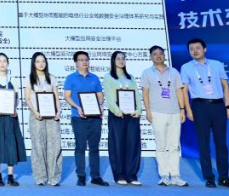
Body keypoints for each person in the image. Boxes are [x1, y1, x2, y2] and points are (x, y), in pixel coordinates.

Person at [180, 38, 229, 189]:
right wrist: (188, 110)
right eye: (191, 49)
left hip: (218, 106)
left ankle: (224, 177)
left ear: (204, 49)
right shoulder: (186, 67)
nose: (195, 51)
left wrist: (227, 106)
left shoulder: (216, 64)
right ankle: (209, 177)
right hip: (199, 106)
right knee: (203, 143)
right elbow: (184, 91)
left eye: (197, 48)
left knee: (221, 143)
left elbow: (225, 86)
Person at [141, 45, 188, 187]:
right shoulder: (147, 73)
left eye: (160, 53)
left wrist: (182, 110)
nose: (158, 56)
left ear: (164, 55)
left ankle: (175, 175)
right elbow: (145, 93)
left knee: (174, 146)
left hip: (174, 112)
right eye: (155, 54)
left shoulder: (174, 72)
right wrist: (148, 111)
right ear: (151, 57)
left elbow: (179, 91)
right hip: (157, 112)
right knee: (161, 146)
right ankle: (164, 176)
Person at [64, 51, 109, 187]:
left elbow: (100, 95)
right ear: (76, 63)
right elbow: (67, 96)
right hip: (78, 117)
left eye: (86, 60)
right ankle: (81, 176)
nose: (84, 62)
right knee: (80, 147)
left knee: (94, 147)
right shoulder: (71, 78)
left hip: (95, 117)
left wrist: (100, 105)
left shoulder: (94, 78)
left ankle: (96, 176)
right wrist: (78, 107)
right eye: (81, 60)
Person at [0, 52, 26, 186]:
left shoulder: (12, 78)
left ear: (8, 63)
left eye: (4, 61)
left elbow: (17, 97)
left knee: (10, 143)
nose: (2, 63)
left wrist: (14, 108)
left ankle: (11, 176)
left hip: (10, 116)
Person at [102, 51, 144, 186]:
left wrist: (138, 110)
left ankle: (132, 175)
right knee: (117, 144)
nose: (121, 61)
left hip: (132, 115)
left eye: (123, 58)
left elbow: (136, 95)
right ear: (113, 61)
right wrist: (117, 110)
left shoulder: (130, 77)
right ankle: (119, 175)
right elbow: (109, 96)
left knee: (133, 144)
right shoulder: (108, 77)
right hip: (117, 115)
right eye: (118, 58)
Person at [26, 52, 62, 186]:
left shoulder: (52, 78)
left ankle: (54, 177)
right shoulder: (30, 79)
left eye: (43, 61)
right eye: (38, 61)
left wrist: (58, 111)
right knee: (38, 146)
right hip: (36, 116)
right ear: (33, 63)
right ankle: (40, 177)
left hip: (52, 116)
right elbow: (28, 99)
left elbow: (56, 98)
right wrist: (35, 111)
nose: (41, 64)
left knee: (54, 145)